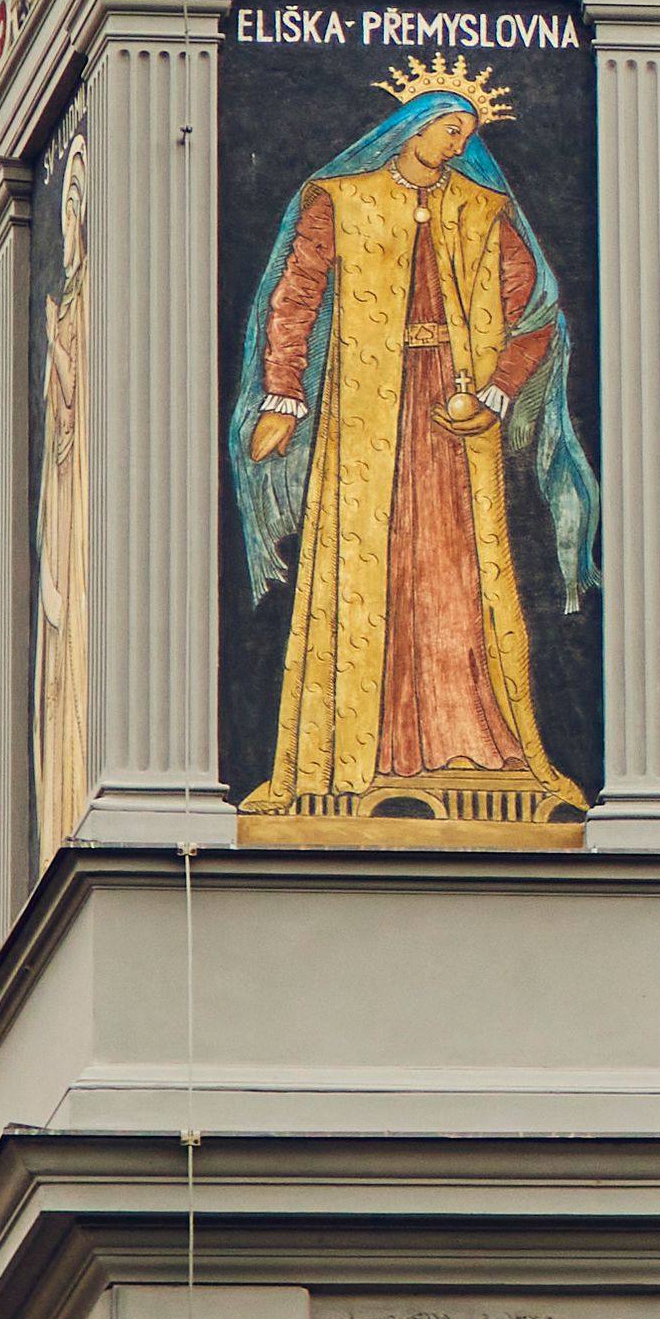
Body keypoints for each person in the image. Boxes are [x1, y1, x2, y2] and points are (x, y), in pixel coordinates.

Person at [227, 58, 596, 835]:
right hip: (365, 412)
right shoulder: (340, 200)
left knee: (454, 573)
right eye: (449, 129)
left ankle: (472, 748)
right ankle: (353, 759)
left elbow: (536, 313)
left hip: (455, 423)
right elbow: (295, 296)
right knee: (368, 563)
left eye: (467, 134)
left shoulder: (484, 210)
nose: (458, 145)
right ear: (413, 128)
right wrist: (283, 395)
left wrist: (496, 390)